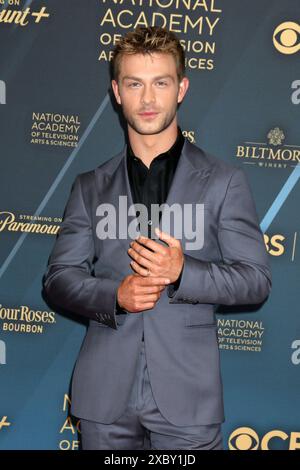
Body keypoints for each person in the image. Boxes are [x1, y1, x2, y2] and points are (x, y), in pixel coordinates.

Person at [43, 26, 272, 450]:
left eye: (160, 83)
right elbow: (59, 278)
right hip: (103, 398)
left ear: (181, 88)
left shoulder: (224, 182)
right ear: (116, 91)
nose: (148, 100)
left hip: (187, 399)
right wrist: (115, 295)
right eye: (135, 84)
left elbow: (255, 280)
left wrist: (184, 271)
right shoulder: (90, 186)